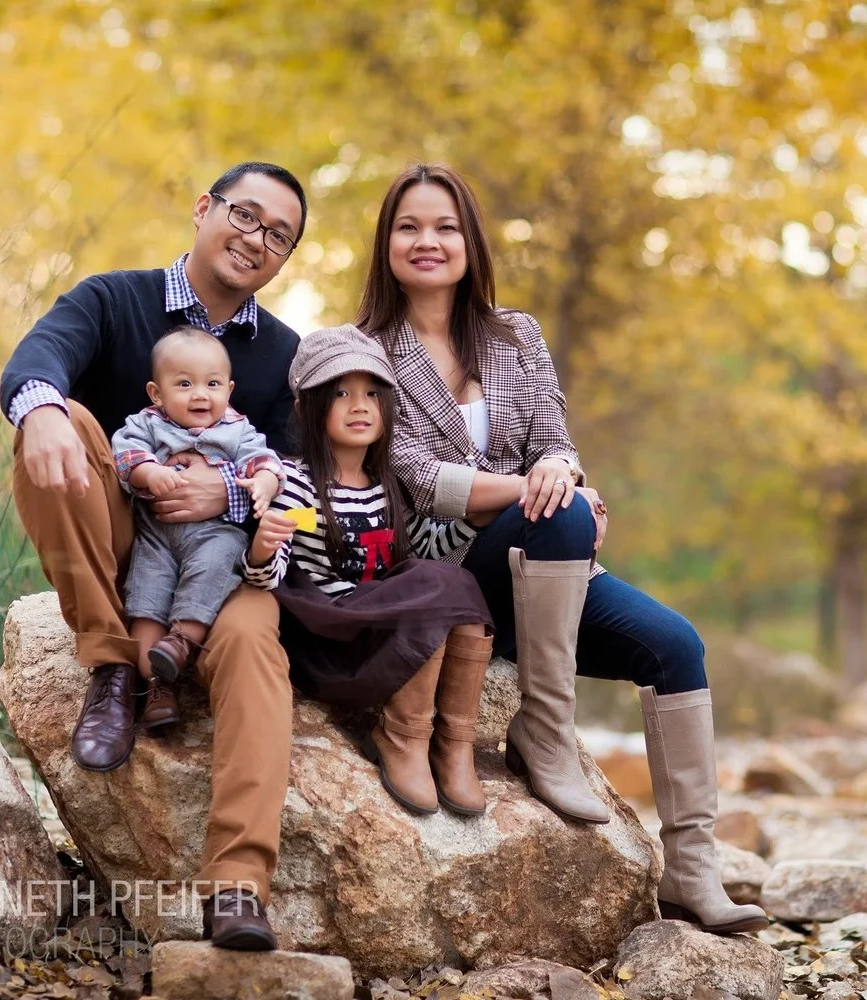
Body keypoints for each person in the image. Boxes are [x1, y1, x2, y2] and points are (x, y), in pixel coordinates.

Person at [355, 163, 768, 935]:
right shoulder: (365, 352)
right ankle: (545, 737)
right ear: (386, 245)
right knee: (561, 509)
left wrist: (565, 470)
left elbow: (555, 439)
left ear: (471, 242)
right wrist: (548, 490)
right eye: (408, 226)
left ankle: (693, 873)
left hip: (544, 564)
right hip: (448, 574)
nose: (427, 241)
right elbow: (414, 475)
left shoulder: (517, 336)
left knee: (676, 645)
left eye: (445, 226)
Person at [0, 161, 306, 950]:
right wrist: (41, 416)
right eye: (245, 215)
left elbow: (298, 478)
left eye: (279, 235)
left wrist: (228, 498)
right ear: (205, 208)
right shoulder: (113, 298)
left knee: (250, 647)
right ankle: (112, 666)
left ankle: (238, 890)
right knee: (58, 410)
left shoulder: (282, 354)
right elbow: (34, 363)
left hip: (224, 561)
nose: (257, 239)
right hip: (122, 538)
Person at [243, 325, 495, 816]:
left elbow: (427, 555)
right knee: (441, 590)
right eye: (340, 394)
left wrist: (472, 520)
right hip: (337, 636)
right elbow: (268, 578)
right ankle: (400, 735)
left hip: (387, 623)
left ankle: (452, 742)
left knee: (455, 592)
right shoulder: (296, 486)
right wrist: (259, 549)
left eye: (371, 394)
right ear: (306, 408)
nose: (359, 405)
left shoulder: (388, 487)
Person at [111, 326, 285, 728]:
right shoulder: (148, 423)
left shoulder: (237, 429)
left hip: (213, 531)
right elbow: (124, 451)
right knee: (147, 601)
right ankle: (156, 686)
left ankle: (182, 642)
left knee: (217, 563)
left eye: (212, 384)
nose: (200, 395)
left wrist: (262, 483)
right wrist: (147, 471)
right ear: (157, 393)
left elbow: (265, 460)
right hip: (155, 535)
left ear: (229, 389)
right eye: (185, 384)